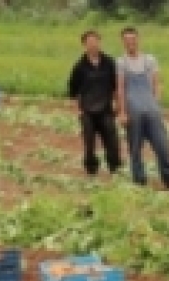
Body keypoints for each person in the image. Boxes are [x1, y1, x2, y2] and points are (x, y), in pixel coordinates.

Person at [115, 26, 169, 189]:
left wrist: (156, 104)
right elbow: (120, 89)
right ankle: (139, 181)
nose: (131, 43)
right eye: (127, 41)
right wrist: (122, 112)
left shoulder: (149, 60)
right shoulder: (121, 63)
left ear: (138, 40)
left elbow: (157, 83)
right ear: (123, 43)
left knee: (162, 145)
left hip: (151, 109)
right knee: (135, 148)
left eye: (133, 40)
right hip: (132, 110)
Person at [67, 30, 122, 177]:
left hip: (106, 109)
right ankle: (91, 170)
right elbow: (73, 91)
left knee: (112, 141)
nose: (93, 45)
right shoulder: (79, 66)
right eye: (89, 42)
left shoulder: (109, 62)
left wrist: (118, 104)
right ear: (84, 45)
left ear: (99, 42)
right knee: (89, 143)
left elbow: (116, 85)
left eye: (95, 41)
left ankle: (115, 169)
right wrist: (77, 110)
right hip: (87, 111)